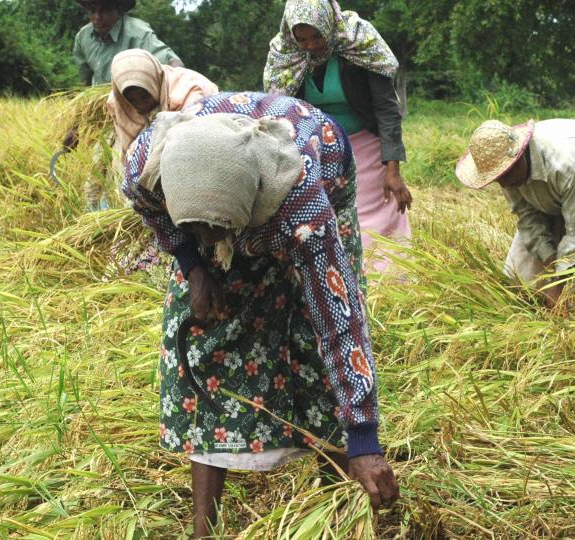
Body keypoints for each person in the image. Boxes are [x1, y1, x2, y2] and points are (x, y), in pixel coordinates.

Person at [123, 92, 398, 537]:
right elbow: (155, 214)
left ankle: (337, 507)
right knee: (204, 344)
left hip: (310, 172)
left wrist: (364, 434)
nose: (212, 240)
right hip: (218, 186)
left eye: (217, 230)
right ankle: (202, 531)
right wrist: (193, 265)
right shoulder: (149, 166)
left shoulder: (303, 207)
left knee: (311, 338)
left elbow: (339, 319)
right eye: (197, 228)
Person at [264, 0, 411, 273]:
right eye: (303, 39)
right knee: (327, 221)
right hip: (317, 155)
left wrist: (393, 170)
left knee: (376, 221)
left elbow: (387, 109)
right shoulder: (286, 55)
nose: (311, 45)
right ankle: (338, 283)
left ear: (329, 24)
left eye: (317, 36)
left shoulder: (359, 43)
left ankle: (385, 287)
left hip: (367, 149)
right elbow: (280, 114)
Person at [456, 119, 575, 309]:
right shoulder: (506, 170)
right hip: (573, 176)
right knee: (521, 277)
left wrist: (557, 283)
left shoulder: (565, 164)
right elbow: (527, 218)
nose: (503, 184)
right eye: (497, 178)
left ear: (519, 155)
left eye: (505, 175)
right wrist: (550, 261)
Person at [103, 49, 218, 276]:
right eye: (132, 100)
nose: (139, 106)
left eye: (144, 97)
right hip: (158, 188)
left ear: (155, 82)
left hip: (203, 171)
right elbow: (133, 162)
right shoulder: (117, 103)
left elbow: (196, 151)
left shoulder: (190, 92)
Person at [64, 0, 183, 211]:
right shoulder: (84, 37)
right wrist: (75, 126)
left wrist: (181, 90)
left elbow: (173, 62)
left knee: (123, 170)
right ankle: (93, 223)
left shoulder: (138, 33)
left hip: (134, 111)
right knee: (95, 174)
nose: (97, 17)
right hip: (102, 113)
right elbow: (83, 86)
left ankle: (127, 219)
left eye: (104, 11)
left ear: (117, 10)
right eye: (93, 11)